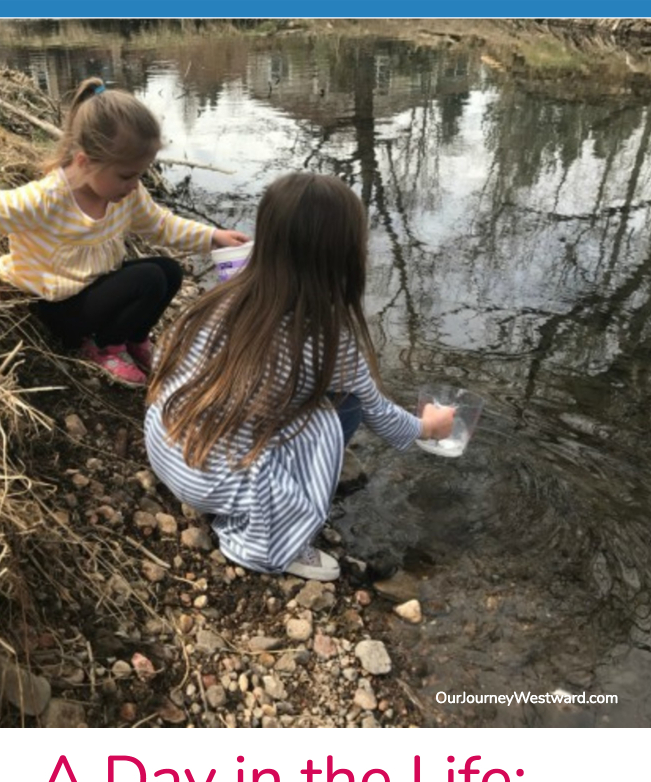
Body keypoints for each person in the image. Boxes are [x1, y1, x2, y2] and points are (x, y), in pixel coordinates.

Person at [144, 172, 454, 582]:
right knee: (339, 411)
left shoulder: (225, 295)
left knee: (298, 396)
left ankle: (245, 485)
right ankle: (271, 543)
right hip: (213, 483)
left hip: (166, 447)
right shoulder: (327, 337)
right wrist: (427, 427)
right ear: (344, 256)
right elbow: (378, 413)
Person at [0, 77, 248, 388]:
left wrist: (213, 236)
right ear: (84, 162)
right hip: (56, 307)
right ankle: (103, 346)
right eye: (126, 176)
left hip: (94, 291)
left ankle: (133, 339)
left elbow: (161, 224)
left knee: (169, 271)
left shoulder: (126, 193)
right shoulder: (46, 199)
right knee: (149, 279)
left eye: (140, 175)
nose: (134, 185)